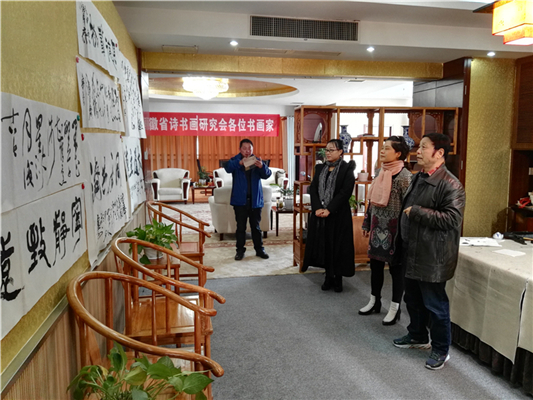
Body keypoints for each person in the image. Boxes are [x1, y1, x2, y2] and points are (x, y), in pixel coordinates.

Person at [392, 133, 466, 371]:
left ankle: (441, 349)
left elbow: (452, 219)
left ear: (439, 153)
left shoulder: (451, 184)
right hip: (412, 250)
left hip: (433, 255)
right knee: (412, 298)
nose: (418, 151)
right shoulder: (419, 177)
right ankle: (417, 335)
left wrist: (417, 212)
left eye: (424, 147)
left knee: (435, 304)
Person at [359, 136, 412, 325]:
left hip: (395, 231)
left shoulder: (405, 177)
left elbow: (408, 208)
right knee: (375, 267)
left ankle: (395, 308)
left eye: (387, 148)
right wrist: (367, 223)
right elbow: (372, 201)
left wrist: (405, 234)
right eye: (382, 147)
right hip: (377, 227)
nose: (382, 151)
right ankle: (374, 301)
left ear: (398, 153)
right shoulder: (379, 171)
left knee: (396, 271)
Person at [302, 139, 356, 292]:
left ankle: (338, 278)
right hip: (320, 214)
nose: (328, 153)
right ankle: (328, 276)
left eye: (332, 150)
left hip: (338, 214)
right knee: (324, 245)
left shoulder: (347, 169)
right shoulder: (320, 168)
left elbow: (345, 192)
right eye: (327, 150)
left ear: (340, 152)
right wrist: (317, 208)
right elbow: (313, 189)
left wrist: (330, 209)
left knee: (338, 246)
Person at [225, 138, 272, 261]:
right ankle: (240, 251)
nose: (247, 151)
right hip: (240, 200)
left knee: (256, 227)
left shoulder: (257, 161)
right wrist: (239, 163)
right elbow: (228, 168)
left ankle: (259, 249)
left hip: (255, 201)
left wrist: (262, 166)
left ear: (252, 149)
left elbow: (267, 174)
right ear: (240, 149)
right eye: (244, 148)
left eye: (249, 148)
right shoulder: (235, 160)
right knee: (241, 227)